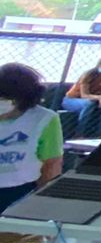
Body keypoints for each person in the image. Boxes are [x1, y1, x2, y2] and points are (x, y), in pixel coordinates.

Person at [0, 64, 64, 213]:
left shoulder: (44, 119)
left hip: (20, 191)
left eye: (7, 100)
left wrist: (42, 200)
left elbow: (52, 162)